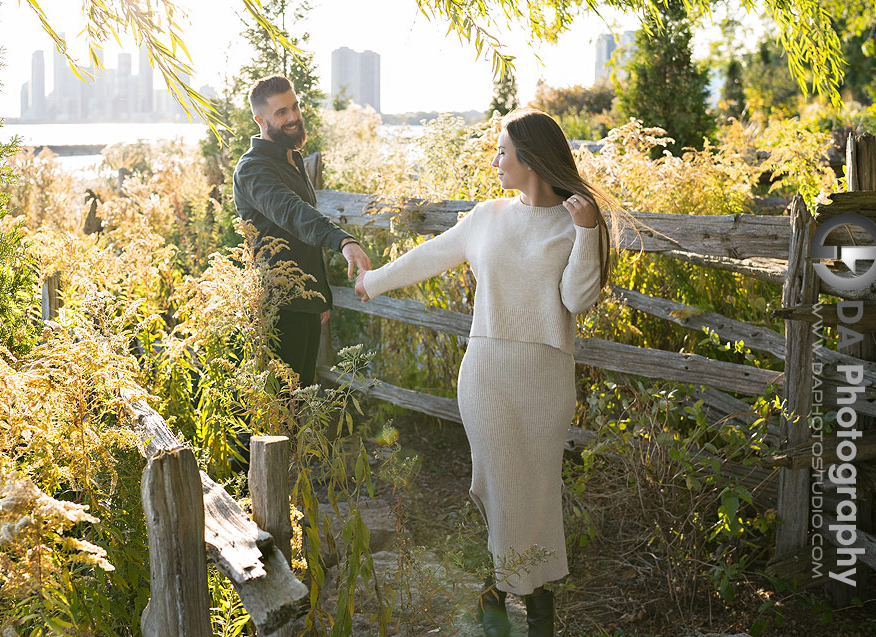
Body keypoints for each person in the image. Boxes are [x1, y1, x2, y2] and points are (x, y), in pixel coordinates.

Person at [353, 107, 614, 637]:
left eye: (501, 151)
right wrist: (372, 281)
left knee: (536, 490)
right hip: (487, 373)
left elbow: (576, 300)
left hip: (545, 377)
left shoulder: (577, 224)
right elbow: (431, 254)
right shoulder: (488, 215)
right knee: (498, 488)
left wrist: (587, 234)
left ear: (530, 158)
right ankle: (531, 603)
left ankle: (505, 597)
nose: (494, 161)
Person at [233, 75, 371, 388]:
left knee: (303, 403)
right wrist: (343, 240)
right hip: (278, 307)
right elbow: (294, 214)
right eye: (281, 112)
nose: (293, 117)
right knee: (281, 409)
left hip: (306, 303)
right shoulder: (253, 168)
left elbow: (301, 238)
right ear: (260, 120)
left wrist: (319, 296)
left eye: (294, 107)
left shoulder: (293, 158)